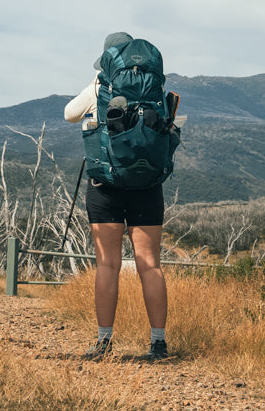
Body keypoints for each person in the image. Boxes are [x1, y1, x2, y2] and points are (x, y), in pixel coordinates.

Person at [63, 32, 170, 361]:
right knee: (150, 265)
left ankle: (104, 342)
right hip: (148, 184)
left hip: (105, 185)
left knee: (107, 265)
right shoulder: (155, 89)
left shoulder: (99, 85)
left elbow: (70, 113)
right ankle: (158, 343)